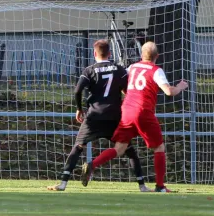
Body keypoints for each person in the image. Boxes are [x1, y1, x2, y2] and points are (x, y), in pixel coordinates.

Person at [80, 42, 189, 193]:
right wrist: (180, 87)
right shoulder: (156, 70)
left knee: (119, 148)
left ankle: (93, 164)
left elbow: (122, 84)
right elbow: (169, 92)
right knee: (159, 147)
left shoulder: (132, 67)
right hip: (143, 112)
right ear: (157, 56)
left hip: (126, 111)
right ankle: (160, 186)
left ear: (141, 55)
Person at [48, 40, 150, 192]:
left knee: (78, 147)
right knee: (129, 150)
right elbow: (128, 90)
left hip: (94, 116)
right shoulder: (119, 69)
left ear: (94, 53)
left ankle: (63, 184)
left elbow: (77, 91)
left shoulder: (89, 70)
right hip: (115, 116)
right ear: (110, 53)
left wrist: (79, 109)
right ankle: (142, 186)